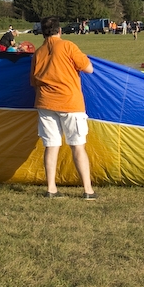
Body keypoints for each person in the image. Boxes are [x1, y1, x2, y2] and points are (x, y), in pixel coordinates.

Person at [30, 16, 96, 199]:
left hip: (45, 103)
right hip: (70, 102)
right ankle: (88, 190)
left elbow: (33, 82)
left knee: (51, 146)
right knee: (78, 146)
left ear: (42, 32)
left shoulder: (38, 53)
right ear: (59, 30)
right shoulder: (68, 46)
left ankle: (51, 188)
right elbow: (89, 68)